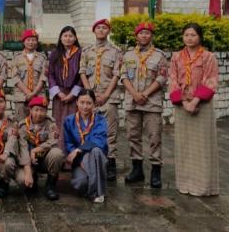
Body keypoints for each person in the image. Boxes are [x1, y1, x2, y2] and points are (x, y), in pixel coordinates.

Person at [168, 23, 220, 197]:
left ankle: (203, 186)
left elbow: (211, 80)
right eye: (186, 35)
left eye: (193, 35)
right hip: (182, 106)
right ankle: (185, 184)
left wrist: (195, 101)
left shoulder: (208, 57)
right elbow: (173, 80)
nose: (189, 38)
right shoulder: (176, 57)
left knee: (202, 146)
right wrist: (184, 102)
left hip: (202, 106)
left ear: (200, 37)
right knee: (184, 145)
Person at [120, 22, 169, 188]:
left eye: (147, 33)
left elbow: (161, 78)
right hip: (132, 101)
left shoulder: (159, 56)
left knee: (154, 136)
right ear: (136, 36)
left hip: (151, 103)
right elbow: (123, 76)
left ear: (151, 36)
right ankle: (137, 169)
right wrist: (134, 94)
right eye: (141, 33)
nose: (144, 36)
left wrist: (145, 94)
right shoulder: (127, 55)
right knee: (132, 135)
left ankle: (156, 170)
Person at [80, 19, 122, 181]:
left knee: (110, 132)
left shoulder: (116, 51)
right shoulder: (87, 51)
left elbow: (117, 75)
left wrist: (105, 95)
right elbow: (82, 72)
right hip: (90, 98)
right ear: (94, 30)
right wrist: (89, 94)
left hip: (109, 97)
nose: (101, 30)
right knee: (89, 130)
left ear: (108, 31)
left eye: (104, 28)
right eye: (98, 27)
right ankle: (91, 162)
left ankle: (110, 164)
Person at [15, 96, 64, 200]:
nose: (39, 113)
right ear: (30, 110)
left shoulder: (50, 123)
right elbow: (23, 149)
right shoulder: (23, 125)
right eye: (36, 110)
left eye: (42, 110)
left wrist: (36, 149)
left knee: (57, 153)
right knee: (21, 179)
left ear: (46, 111)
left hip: (45, 159)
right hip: (29, 161)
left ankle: (51, 185)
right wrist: (28, 171)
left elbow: (53, 141)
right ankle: (33, 180)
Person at [63, 89, 108, 203]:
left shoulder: (100, 120)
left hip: (96, 160)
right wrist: (80, 161)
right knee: (81, 183)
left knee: (96, 150)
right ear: (76, 102)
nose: (85, 106)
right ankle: (93, 186)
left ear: (94, 104)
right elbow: (69, 144)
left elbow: (99, 141)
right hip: (79, 161)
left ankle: (97, 192)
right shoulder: (69, 120)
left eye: (89, 103)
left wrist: (79, 149)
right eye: (82, 102)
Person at [48, 26, 83, 150]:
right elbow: (50, 74)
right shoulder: (54, 54)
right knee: (58, 123)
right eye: (65, 36)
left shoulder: (80, 53)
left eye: (70, 36)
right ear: (61, 38)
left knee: (73, 123)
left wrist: (73, 94)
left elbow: (82, 75)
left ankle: (72, 154)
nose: (68, 38)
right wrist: (58, 92)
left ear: (75, 38)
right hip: (59, 95)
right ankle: (58, 153)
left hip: (74, 94)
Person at [10, 29, 47, 121]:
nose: (31, 42)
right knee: (21, 123)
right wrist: (27, 92)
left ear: (37, 42)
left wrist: (33, 93)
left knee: (38, 123)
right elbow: (15, 77)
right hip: (21, 97)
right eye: (28, 40)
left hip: (38, 96)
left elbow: (43, 77)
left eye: (33, 40)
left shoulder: (42, 58)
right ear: (24, 41)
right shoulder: (16, 58)